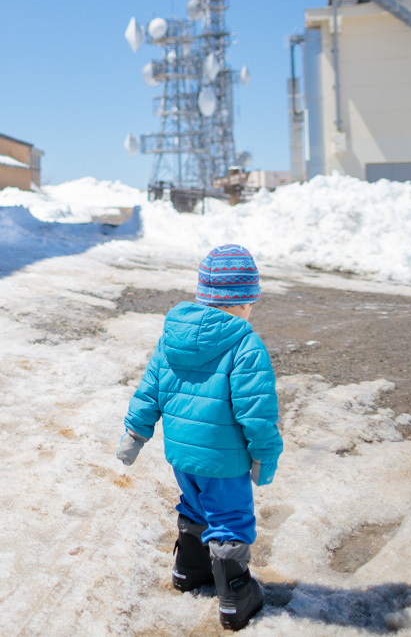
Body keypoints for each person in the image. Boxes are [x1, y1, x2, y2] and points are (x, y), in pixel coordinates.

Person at [115, 243, 281, 632]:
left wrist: (135, 432)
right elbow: (256, 411)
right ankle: (235, 596)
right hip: (224, 461)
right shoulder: (244, 343)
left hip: (181, 456)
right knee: (229, 519)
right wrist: (265, 456)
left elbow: (149, 388)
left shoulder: (173, 335)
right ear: (242, 301)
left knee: (194, 504)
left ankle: (188, 570)